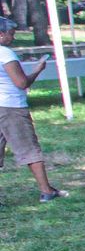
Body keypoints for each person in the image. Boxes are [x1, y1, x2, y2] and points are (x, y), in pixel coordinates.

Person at [0, 17, 66, 202]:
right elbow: (21, 83)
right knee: (28, 149)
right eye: (11, 34)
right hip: (11, 107)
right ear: (1, 34)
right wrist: (38, 69)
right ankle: (46, 191)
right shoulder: (5, 53)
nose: (12, 38)